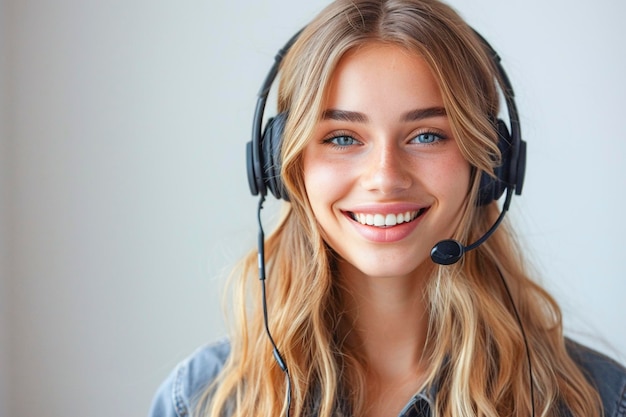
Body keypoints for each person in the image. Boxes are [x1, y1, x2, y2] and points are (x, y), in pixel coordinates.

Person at [149, 0, 626, 416]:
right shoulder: (200, 399)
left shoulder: (596, 399)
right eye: (341, 138)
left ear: (490, 165)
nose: (385, 176)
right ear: (283, 166)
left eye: (426, 136)